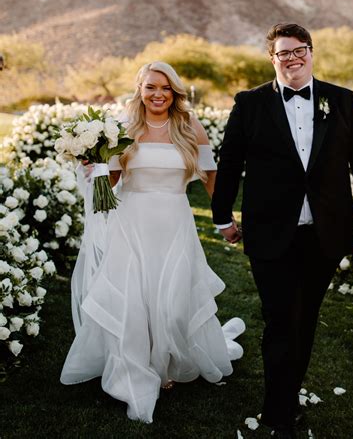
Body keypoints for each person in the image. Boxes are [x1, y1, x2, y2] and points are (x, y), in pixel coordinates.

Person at [211, 23, 353, 439]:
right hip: (270, 232)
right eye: (283, 53)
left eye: (299, 50)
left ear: (311, 52)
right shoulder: (249, 103)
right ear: (272, 59)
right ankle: (279, 413)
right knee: (280, 319)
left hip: (325, 232)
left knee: (304, 320)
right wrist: (222, 216)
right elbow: (230, 162)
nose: (292, 58)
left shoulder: (340, 100)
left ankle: (285, 397)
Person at [61, 61, 245, 423]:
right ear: (140, 90)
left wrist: (225, 219)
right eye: (150, 87)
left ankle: (171, 360)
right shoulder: (123, 129)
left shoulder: (190, 126)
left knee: (174, 301)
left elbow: (211, 177)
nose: (158, 94)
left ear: (174, 91)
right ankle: (135, 368)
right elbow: (110, 182)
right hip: (130, 223)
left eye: (165, 88)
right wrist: (93, 168)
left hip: (175, 223)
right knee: (133, 300)